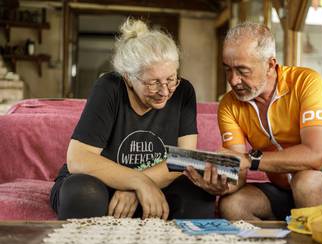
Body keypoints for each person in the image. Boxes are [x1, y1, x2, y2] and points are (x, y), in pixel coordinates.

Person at [184, 22, 322, 220]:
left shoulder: (306, 81)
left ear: (270, 65)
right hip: (287, 188)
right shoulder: (229, 105)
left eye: (242, 71)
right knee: (232, 205)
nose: (233, 80)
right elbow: (237, 170)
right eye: (228, 69)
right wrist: (221, 185)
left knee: (306, 182)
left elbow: (314, 156)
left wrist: (250, 160)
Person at [50, 18, 215, 220]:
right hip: (101, 181)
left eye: (171, 79)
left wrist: (139, 185)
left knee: (199, 198)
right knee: (83, 195)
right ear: (128, 77)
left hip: (157, 182)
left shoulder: (183, 91)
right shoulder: (109, 87)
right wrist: (138, 182)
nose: (164, 91)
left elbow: (184, 159)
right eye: (153, 82)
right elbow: (78, 159)